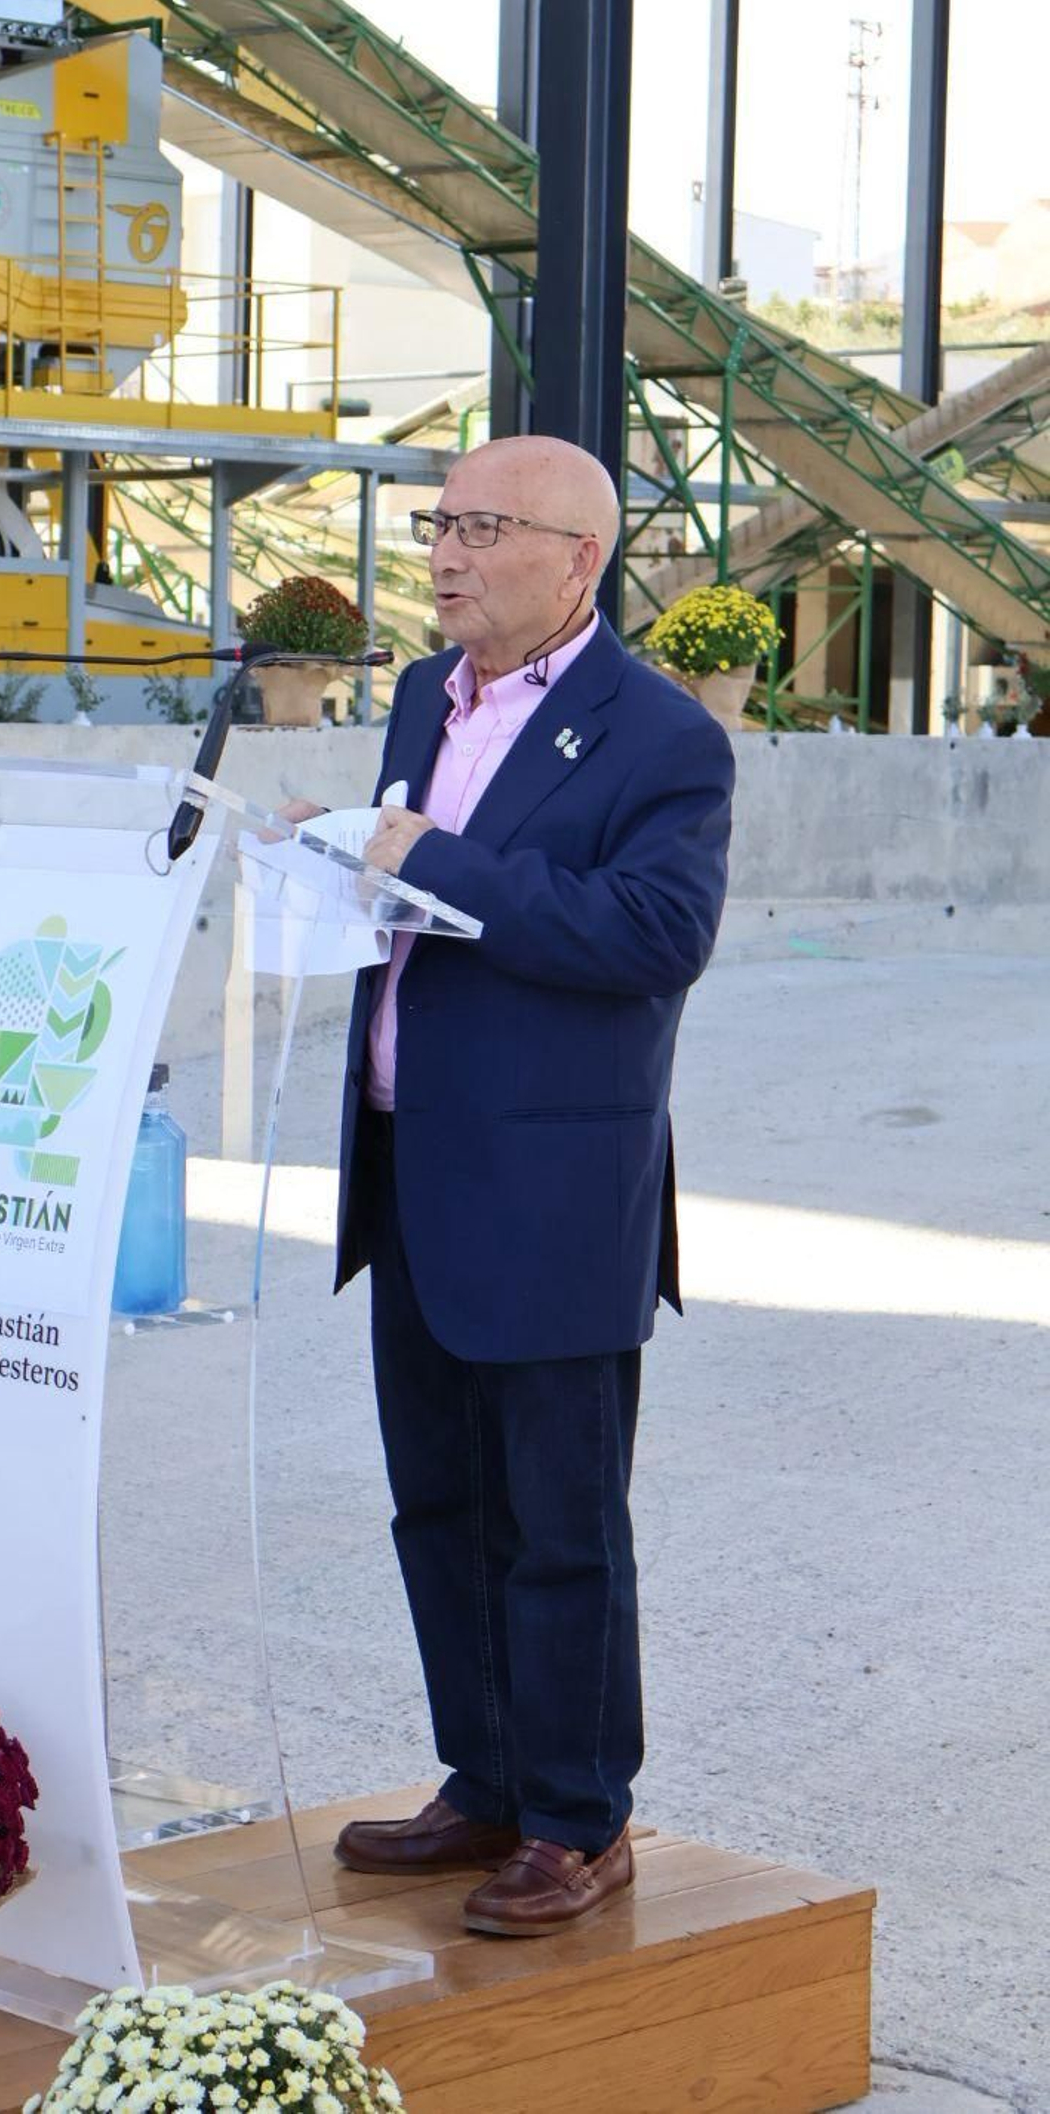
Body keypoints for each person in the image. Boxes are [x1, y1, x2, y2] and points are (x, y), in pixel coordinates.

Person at [295, 434, 735, 1938]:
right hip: (409, 1163)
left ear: (578, 560)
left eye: (483, 529)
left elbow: (652, 937)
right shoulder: (427, 697)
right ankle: (483, 1776)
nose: (446, 554)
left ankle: (575, 1817)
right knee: (439, 1506)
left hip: (552, 1191)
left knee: (559, 1522)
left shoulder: (662, 737)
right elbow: (412, 880)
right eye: (440, 524)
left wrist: (440, 861)